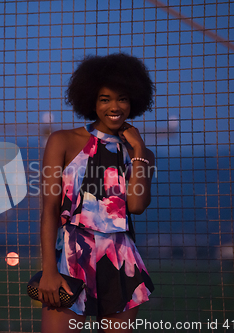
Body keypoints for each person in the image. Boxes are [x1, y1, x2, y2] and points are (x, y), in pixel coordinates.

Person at [38, 53, 156, 333]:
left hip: (120, 262)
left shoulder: (141, 154)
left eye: (122, 98)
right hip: (70, 258)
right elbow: (50, 210)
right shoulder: (63, 141)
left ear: (134, 101)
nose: (114, 107)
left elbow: (137, 205)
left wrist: (138, 151)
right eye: (105, 99)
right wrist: (48, 270)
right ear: (91, 100)